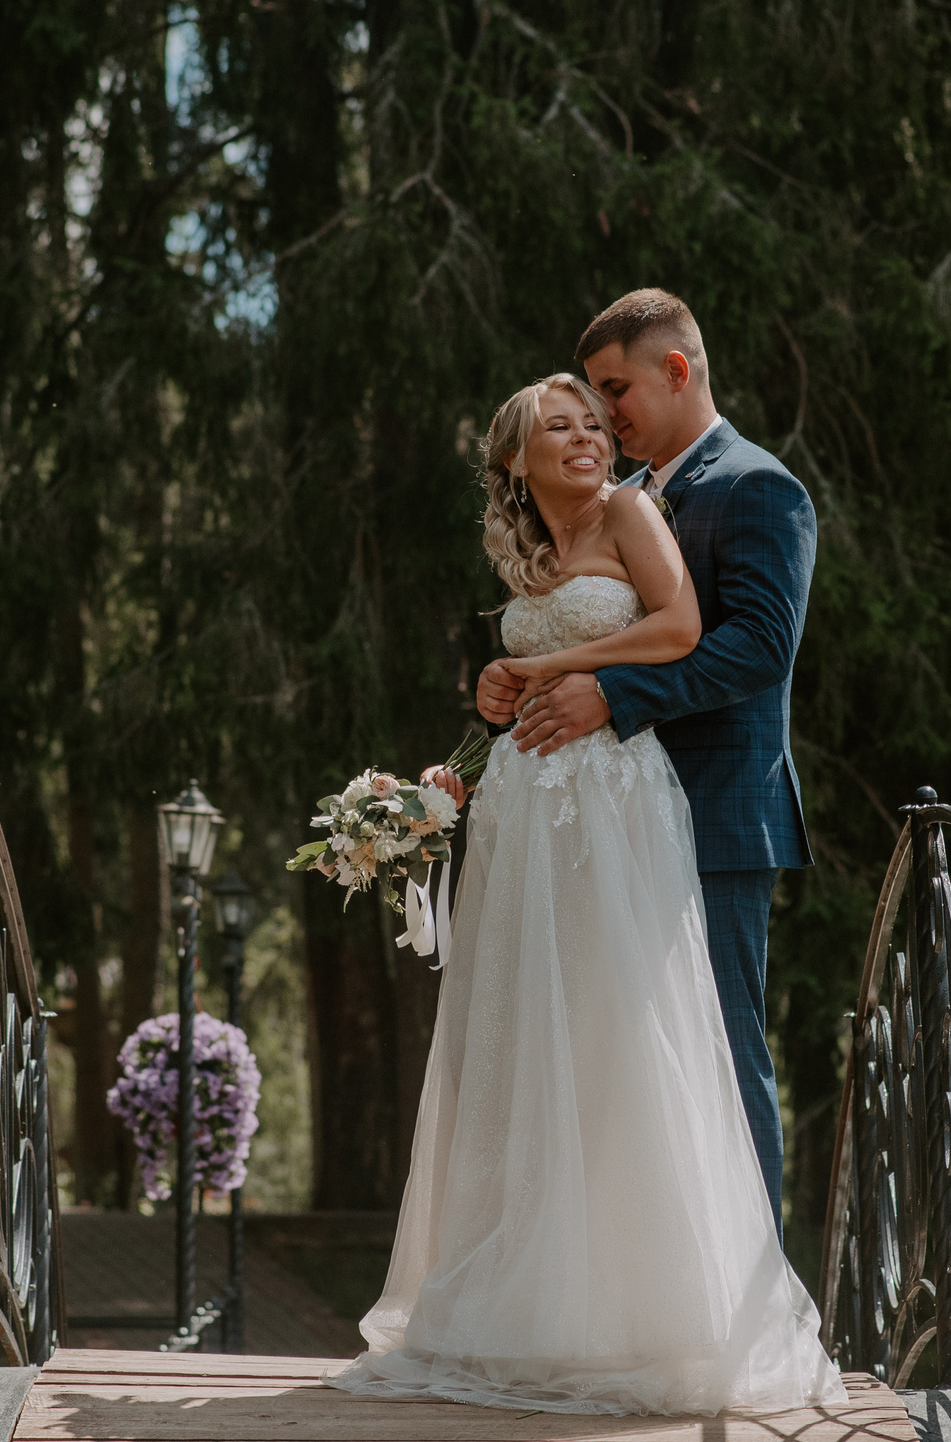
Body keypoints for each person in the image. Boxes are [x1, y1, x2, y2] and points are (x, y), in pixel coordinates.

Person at [328, 372, 845, 1417]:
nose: (586, 435)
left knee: (632, 1032)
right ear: (512, 459)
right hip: (524, 812)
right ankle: (531, 1308)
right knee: (527, 1038)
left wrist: (560, 658)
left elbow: (682, 627)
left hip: (612, 802)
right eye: (557, 425)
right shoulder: (523, 552)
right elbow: (533, 679)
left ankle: (676, 1310)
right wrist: (485, 704)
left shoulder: (630, 509)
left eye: (592, 420)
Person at [486, 288, 816, 1228]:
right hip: (614, 818)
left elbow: (758, 647)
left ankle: (752, 1305)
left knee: (714, 1052)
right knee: (624, 1068)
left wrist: (616, 698)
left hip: (713, 814)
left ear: (676, 370)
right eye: (589, 399)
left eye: (614, 389)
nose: (605, 416)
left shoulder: (757, 485)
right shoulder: (619, 504)